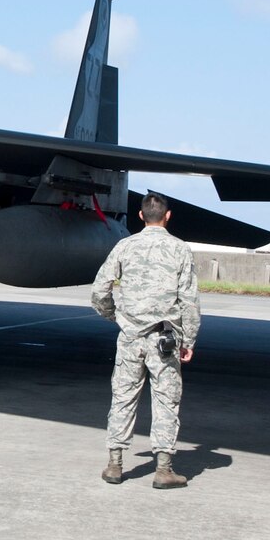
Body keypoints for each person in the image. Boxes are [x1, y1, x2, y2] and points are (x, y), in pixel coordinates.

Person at [91, 193, 201, 488]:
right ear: (167, 216)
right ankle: (163, 470)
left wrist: (117, 319)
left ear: (141, 216)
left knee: (123, 398)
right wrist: (188, 340)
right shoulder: (179, 249)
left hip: (130, 338)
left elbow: (99, 291)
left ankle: (115, 465)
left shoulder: (124, 246)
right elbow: (189, 301)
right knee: (166, 401)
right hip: (164, 339)